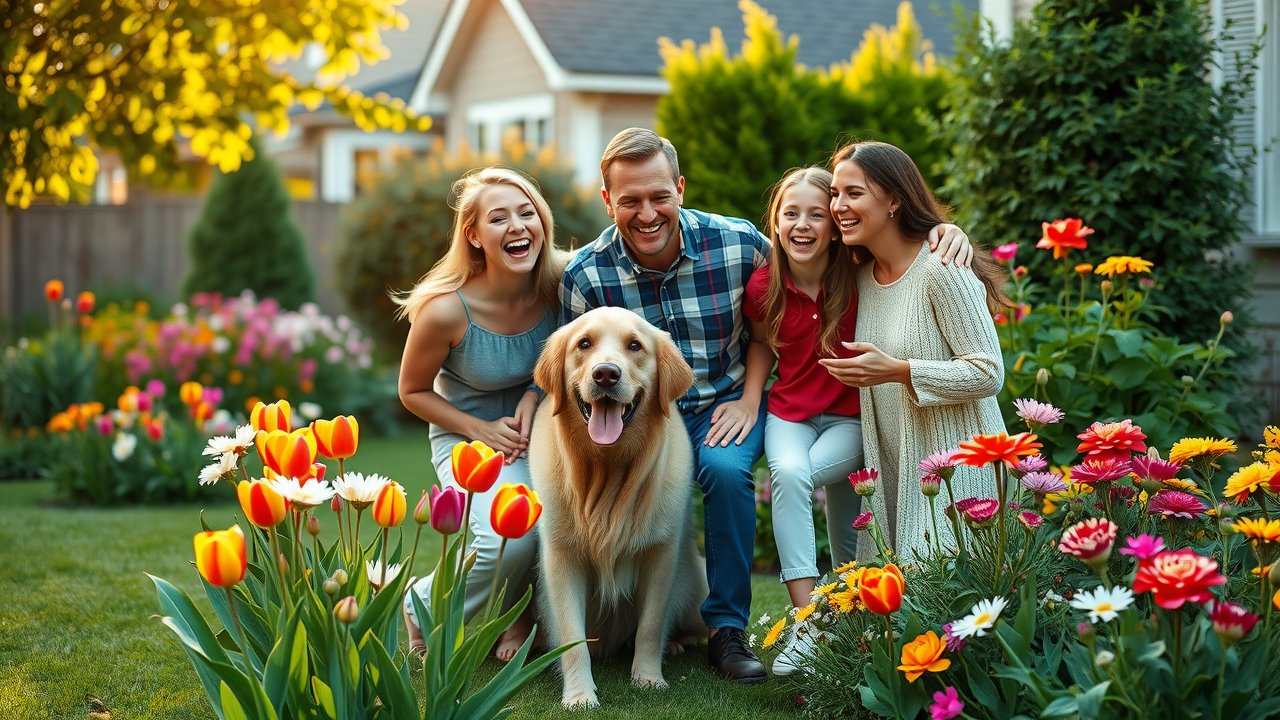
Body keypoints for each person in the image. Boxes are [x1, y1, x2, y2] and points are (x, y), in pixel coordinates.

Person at [559, 128, 972, 683]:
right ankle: (608, 621)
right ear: (608, 201)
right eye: (630, 200)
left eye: (660, 196)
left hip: (722, 407)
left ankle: (725, 630)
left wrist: (943, 230)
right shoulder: (585, 275)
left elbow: (866, 236)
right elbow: (570, 364)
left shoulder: (739, 244)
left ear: (680, 188)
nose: (648, 212)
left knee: (729, 474)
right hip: (637, 413)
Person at [397, 167, 568, 660]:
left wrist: (536, 393)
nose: (517, 226)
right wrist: (481, 430)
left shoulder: (562, 284)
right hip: (468, 434)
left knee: (553, 521)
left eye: (527, 212)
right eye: (498, 219)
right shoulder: (446, 310)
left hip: (544, 427)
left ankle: (516, 618)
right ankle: (420, 605)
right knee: (505, 538)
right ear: (473, 235)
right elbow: (412, 391)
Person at [820, 141, 1008, 562]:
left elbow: (988, 372)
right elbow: (792, 241)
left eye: (854, 192)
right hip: (897, 476)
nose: (838, 205)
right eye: (835, 193)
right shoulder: (860, 278)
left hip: (959, 478)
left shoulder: (941, 268)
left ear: (894, 200)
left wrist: (899, 371)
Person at [740, 167, 864, 675]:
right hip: (790, 411)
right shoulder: (764, 285)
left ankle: (847, 614)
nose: (803, 224)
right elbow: (761, 345)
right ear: (776, 221)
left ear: (834, 225)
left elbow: (913, 240)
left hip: (851, 419)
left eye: (817, 214)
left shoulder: (860, 273)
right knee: (789, 473)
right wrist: (751, 400)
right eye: (791, 213)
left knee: (847, 527)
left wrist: (948, 231)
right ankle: (810, 624)